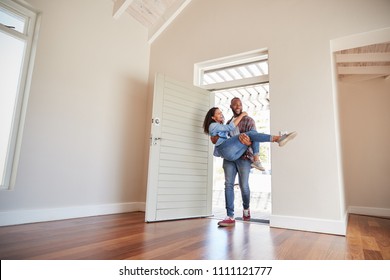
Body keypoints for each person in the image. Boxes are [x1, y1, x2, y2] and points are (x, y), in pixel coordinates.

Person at [208, 97, 296, 227]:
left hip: (243, 157)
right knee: (228, 184)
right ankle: (230, 216)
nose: (238, 106)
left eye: (240, 104)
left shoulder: (248, 120)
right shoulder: (227, 122)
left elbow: (255, 137)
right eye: (235, 105)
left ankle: (246, 209)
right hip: (229, 157)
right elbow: (218, 137)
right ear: (231, 107)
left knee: (244, 186)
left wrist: (250, 145)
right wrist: (215, 138)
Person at [203, 107, 296, 166]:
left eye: (221, 112)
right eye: (218, 113)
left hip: (232, 155)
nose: (221, 114)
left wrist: (247, 142)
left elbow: (227, 133)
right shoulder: (212, 125)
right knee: (251, 134)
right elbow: (230, 127)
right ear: (213, 117)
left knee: (253, 135)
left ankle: (256, 160)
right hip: (224, 149)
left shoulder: (219, 126)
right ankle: (278, 139)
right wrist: (243, 114)